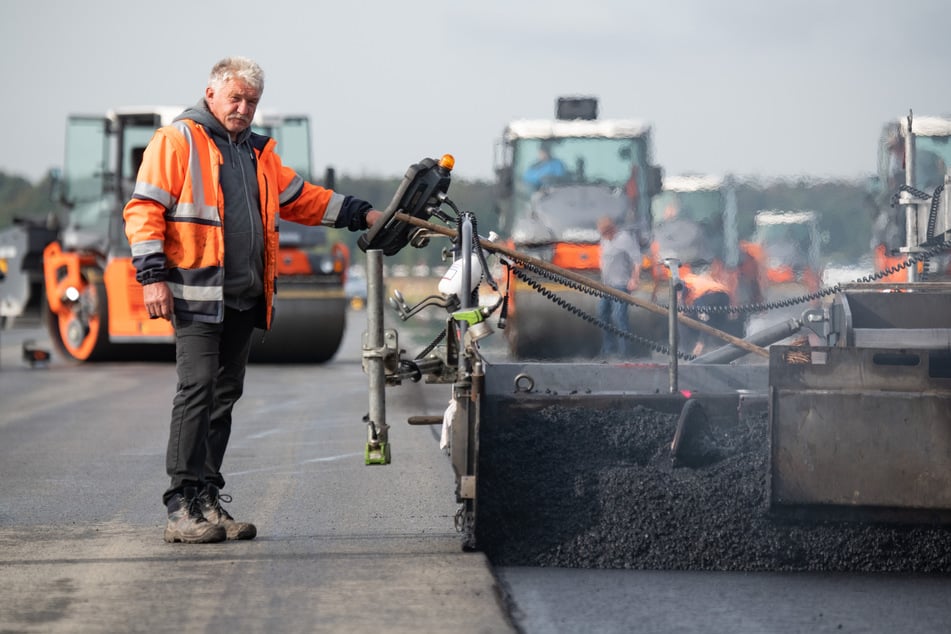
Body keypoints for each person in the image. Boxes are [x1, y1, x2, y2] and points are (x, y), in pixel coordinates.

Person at [123, 56, 383, 544]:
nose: (243, 108)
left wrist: (362, 213)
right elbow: (143, 209)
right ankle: (180, 507)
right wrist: (152, 276)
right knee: (197, 389)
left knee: (223, 397)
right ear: (211, 93)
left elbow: (302, 198)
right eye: (236, 98)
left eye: (252, 101)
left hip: (244, 296)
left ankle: (206, 500)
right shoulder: (177, 141)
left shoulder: (257, 154)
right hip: (197, 295)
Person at [596, 216, 642, 357]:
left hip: (621, 284)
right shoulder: (604, 241)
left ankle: (625, 351)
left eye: (605, 232)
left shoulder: (625, 239)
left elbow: (637, 260)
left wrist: (634, 279)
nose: (604, 236)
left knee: (619, 316)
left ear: (611, 229)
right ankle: (608, 348)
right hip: (606, 285)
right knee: (602, 314)